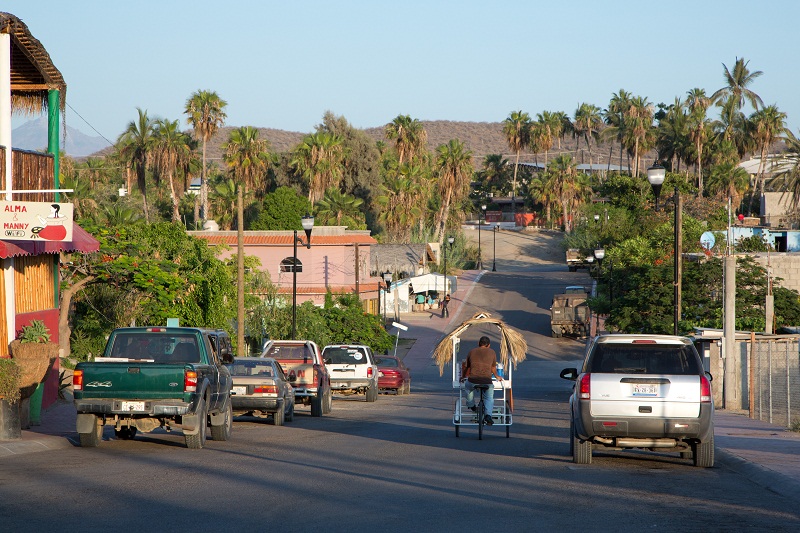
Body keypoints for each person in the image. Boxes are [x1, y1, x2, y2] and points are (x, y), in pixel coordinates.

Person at [460, 336, 502, 425]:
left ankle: (471, 405)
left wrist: (462, 376)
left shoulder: (472, 351)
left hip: (473, 380)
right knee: (489, 397)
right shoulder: (492, 352)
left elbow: (467, 367)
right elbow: (493, 367)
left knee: (468, 388)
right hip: (487, 381)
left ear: (478, 344)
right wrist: (496, 376)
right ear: (489, 345)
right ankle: (488, 415)